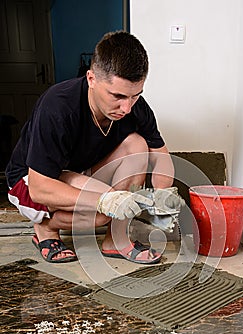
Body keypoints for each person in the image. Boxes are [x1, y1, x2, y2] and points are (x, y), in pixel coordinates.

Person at [5, 31, 175, 264]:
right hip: (32, 181)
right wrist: (106, 200)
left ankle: (115, 239)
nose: (126, 107)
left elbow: (160, 154)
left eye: (135, 96)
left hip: (78, 173)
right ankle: (46, 228)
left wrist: (163, 194)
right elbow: (39, 187)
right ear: (91, 79)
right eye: (117, 95)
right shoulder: (57, 106)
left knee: (137, 144)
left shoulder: (135, 106)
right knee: (103, 211)